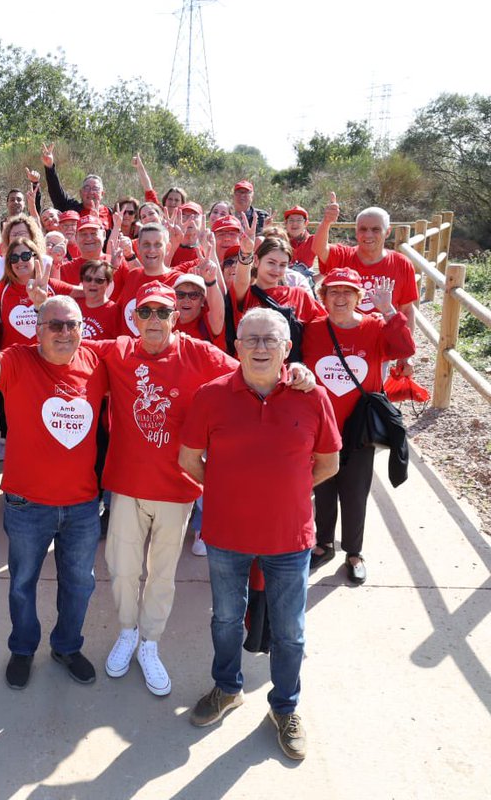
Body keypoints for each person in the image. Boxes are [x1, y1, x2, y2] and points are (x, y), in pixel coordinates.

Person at [179, 308, 341, 761]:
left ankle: (285, 707)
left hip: (289, 537)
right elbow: (189, 459)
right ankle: (228, 687)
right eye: (251, 339)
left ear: (288, 348)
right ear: (237, 348)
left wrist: (285, 491)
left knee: (290, 631)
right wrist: (228, 490)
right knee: (226, 619)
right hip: (226, 534)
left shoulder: (313, 397)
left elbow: (328, 463)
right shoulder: (212, 396)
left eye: (271, 340)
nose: (261, 348)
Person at [0, 292, 107, 690]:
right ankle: (23, 648)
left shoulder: (98, 360)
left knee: (80, 583)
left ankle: (67, 646)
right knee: (22, 583)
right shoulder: (18, 360)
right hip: (27, 503)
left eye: (72, 325)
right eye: (55, 325)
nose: (65, 333)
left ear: (82, 329)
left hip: (82, 504)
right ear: (38, 328)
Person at [83, 282, 237, 695]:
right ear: (135, 318)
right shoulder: (116, 351)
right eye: (146, 312)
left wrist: (295, 372)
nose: (154, 320)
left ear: (177, 317)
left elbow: (246, 376)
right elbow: (65, 350)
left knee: (162, 574)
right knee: (123, 569)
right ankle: (128, 631)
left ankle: (150, 642)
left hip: (176, 487)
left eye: (163, 312)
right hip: (128, 485)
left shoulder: (197, 353)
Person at [303, 269, 415, 584]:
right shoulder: (311, 330)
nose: (340, 298)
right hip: (321, 429)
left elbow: (405, 349)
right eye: (333, 292)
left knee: (355, 492)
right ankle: (323, 544)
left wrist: (390, 310)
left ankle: (354, 551)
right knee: (322, 489)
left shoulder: (375, 328)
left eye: (347, 292)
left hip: (360, 430)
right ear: (323, 297)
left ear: (358, 297)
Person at [313, 197, 418, 376]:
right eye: (363, 229)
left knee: (372, 399)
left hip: (379, 349)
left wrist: (404, 353)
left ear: (387, 232)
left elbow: (407, 310)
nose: (368, 235)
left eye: (375, 229)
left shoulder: (401, 264)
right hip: (339, 344)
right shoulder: (343, 256)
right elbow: (319, 249)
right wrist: (326, 222)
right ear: (356, 231)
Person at [40, 143, 113, 228]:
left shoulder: (111, 213)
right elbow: (56, 193)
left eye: (95, 189)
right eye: (87, 188)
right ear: (81, 192)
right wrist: (49, 167)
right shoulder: (71, 209)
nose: (91, 192)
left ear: (102, 194)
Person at [75, 260, 119, 340]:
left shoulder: (115, 311)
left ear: (108, 283)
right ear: (82, 281)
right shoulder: (74, 306)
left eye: (99, 280)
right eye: (88, 279)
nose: (92, 283)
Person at [282, 205, 317, 281]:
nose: (294, 223)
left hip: (306, 286)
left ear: (306, 223)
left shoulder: (314, 240)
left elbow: (331, 264)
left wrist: (313, 281)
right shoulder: (280, 240)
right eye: (291, 220)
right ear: (285, 223)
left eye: (299, 220)